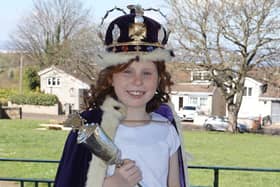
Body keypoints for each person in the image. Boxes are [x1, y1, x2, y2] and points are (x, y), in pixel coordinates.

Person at [54, 4, 189, 187]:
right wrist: (114, 183)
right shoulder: (90, 129)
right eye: (127, 72)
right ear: (111, 78)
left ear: (159, 79)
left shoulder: (166, 129)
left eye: (147, 73)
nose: (137, 81)